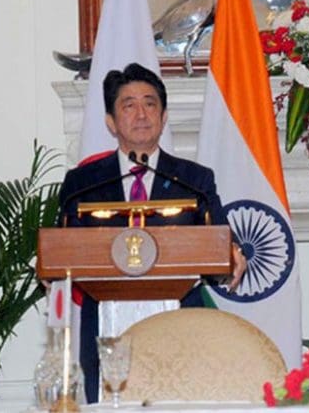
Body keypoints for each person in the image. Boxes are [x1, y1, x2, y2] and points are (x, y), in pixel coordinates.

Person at [56, 62, 247, 403]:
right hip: (105, 327)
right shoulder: (81, 184)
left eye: (150, 103)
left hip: (181, 324)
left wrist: (231, 256)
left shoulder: (195, 180)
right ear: (111, 122)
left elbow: (219, 244)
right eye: (128, 105)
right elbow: (63, 248)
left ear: (163, 116)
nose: (141, 113)